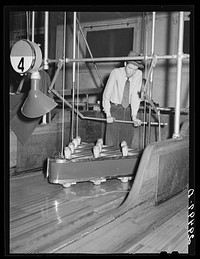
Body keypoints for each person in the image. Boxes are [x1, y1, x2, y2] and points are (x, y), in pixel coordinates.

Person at [102, 51, 144, 148]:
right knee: (111, 144)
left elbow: (135, 96)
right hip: (115, 110)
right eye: (130, 68)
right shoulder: (116, 73)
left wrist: (134, 116)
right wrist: (108, 114)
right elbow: (106, 95)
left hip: (128, 111)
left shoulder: (138, 74)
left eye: (134, 69)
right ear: (125, 63)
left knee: (126, 145)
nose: (132, 72)